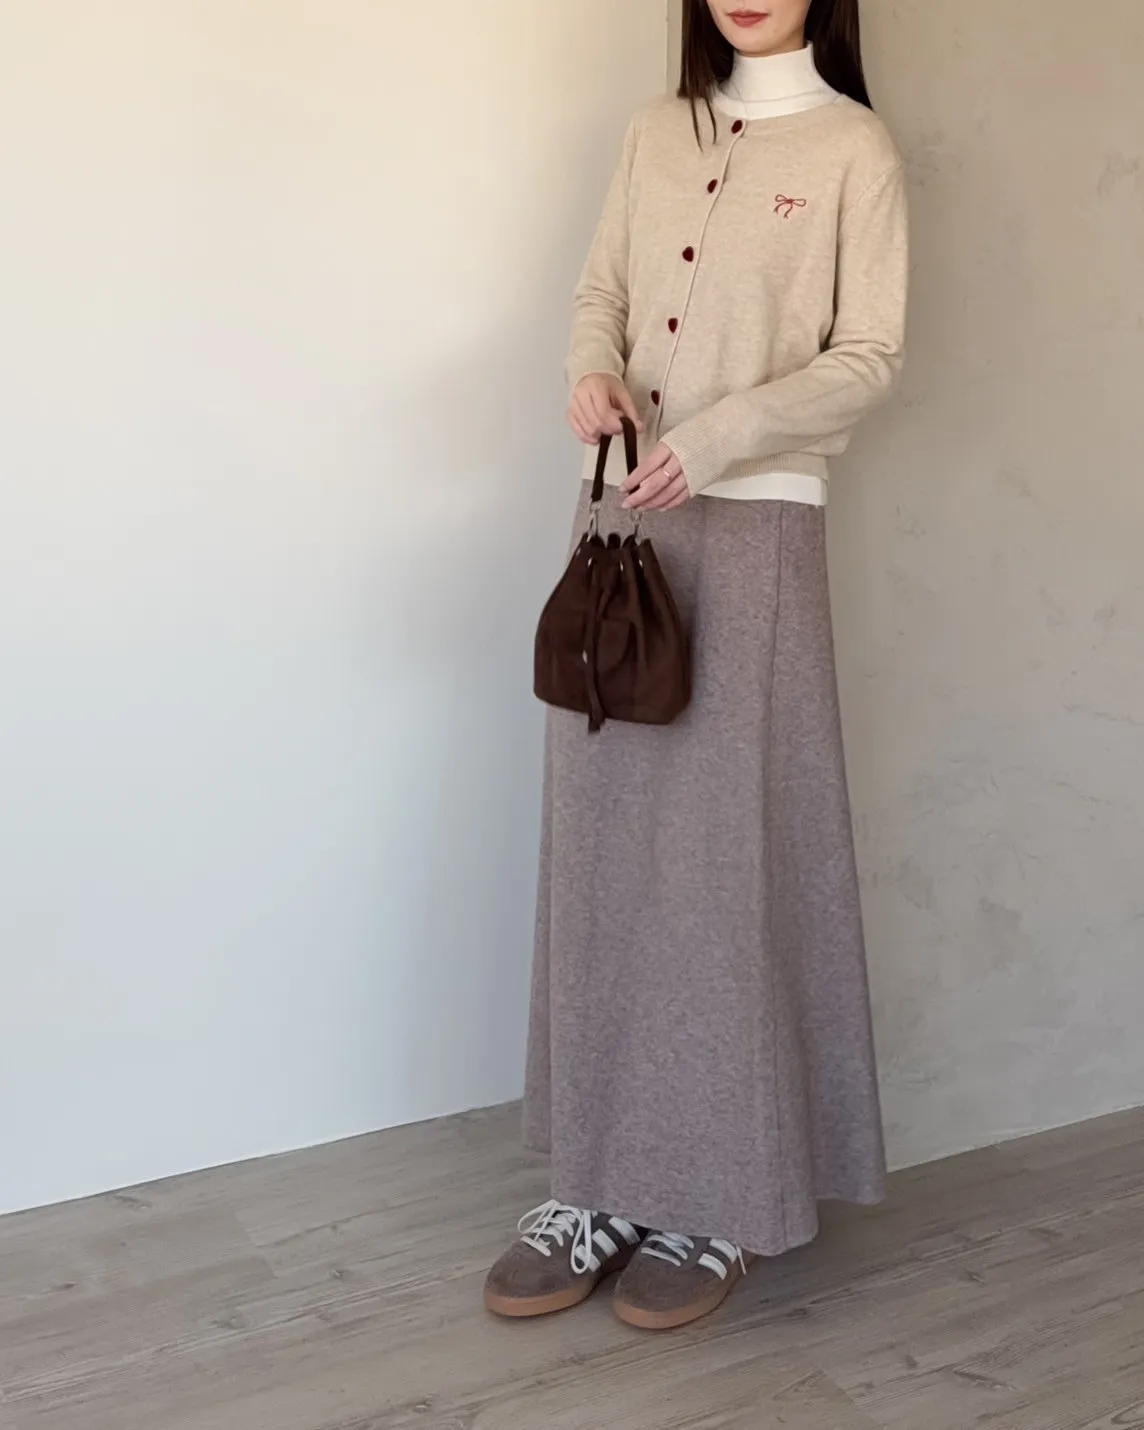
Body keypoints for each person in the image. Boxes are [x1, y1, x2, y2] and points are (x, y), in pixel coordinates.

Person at [486, 0, 908, 1332]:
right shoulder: (653, 132)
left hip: (757, 526)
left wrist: (718, 435)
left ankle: (719, 1194)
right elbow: (601, 296)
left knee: (726, 862)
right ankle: (598, 1180)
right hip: (620, 521)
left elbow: (869, 354)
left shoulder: (852, 149)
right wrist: (590, 375)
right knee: (603, 852)